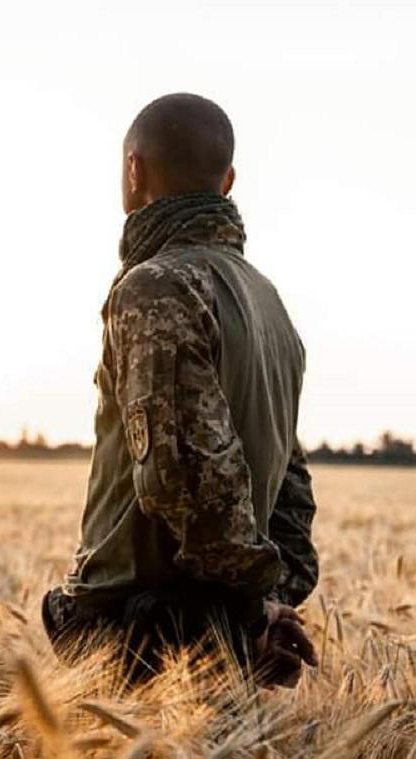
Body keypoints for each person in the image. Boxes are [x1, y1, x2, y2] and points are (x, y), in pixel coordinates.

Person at [42, 93, 319, 687]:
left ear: (134, 171)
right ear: (228, 181)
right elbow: (291, 482)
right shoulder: (270, 303)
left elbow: (186, 475)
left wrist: (249, 615)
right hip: (217, 625)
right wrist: (267, 605)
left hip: (147, 632)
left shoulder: (156, 288)